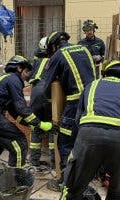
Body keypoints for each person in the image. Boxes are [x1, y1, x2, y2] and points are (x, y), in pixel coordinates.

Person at [49, 60, 120, 200]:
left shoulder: (91, 86)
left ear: (106, 73)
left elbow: (78, 120)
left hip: (89, 135)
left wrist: (85, 152)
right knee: (119, 189)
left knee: (74, 185)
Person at [30, 31, 96, 191]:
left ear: (53, 46)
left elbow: (47, 85)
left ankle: (65, 182)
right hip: (93, 100)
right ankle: (85, 177)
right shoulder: (84, 49)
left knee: (65, 142)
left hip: (75, 104)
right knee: (85, 140)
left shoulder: (58, 55)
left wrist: (52, 99)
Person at [0, 55, 55, 179]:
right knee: (19, 142)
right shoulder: (14, 80)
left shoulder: (5, 78)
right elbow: (21, 108)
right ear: (19, 68)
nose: (29, 76)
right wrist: (41, 124)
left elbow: (13, 109)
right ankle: (13, 180)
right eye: (27, 71)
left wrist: (31, 124)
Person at [28, 36, 55, 169]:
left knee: (35, 127)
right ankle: (55, 162)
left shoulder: (36, 61)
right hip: (50, 94)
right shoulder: (56, 60)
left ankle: (34, 161)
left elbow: (29, 78)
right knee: (52, 127)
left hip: (36, 94)